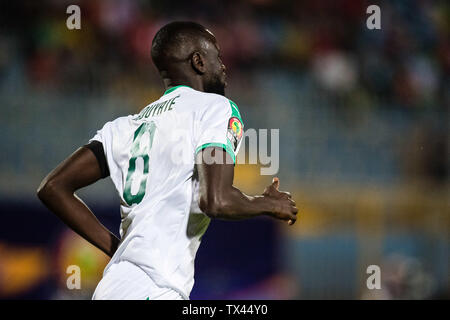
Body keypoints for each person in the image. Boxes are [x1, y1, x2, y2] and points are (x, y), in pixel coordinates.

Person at [37, 21, 298, 300]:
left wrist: (119, 250)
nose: (223, 66)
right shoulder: (215, 108)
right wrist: (269, 203)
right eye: (217, 57)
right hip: (155, 289)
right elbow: (215, 200)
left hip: (113, 287)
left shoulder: (124, 127)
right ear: (198, 61)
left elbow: (53, 187)